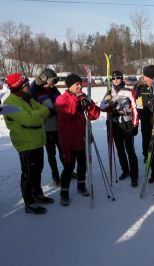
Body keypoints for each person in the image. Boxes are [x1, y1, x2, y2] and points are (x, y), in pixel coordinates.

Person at [4, 73, 53, 214]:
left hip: (38, 140)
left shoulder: (28, 98)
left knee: (37, 171)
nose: (28, 88)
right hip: (26, 144)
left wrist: (39, 114)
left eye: (27, 85)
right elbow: (29, 121)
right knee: (28, 174)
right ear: (17, 88)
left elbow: (45, 110)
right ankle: (29, 203)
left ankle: (37, 194)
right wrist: (40, 115)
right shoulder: (8, 104)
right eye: (25, 86)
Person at [55, 74, 100, 206]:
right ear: (69, 86)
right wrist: (77, 102)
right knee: (68, 167)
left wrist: (89, 105)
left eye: (80, 84)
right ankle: (64, 192)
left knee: (82, 164)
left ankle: (81, 185)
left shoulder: (82, 97)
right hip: (68, 139)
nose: (79, 86)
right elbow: (67, 115)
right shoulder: (61, 99)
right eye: (76, 84)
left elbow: (94, 115)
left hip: (82, 137)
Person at [100, 70, 140, 187]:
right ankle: (125, 170)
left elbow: (135, 108)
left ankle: (134, 175)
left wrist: (135, 124)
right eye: (114, 78)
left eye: (118, 78)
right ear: (111, 80)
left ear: (122, 79)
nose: (116, 80)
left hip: (126, 124)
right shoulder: (109, 92)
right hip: (115, 125)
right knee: (120, 150)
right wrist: (110, 104)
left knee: (130, 150)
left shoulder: (128, 91)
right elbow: (102, 107)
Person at [30, 68, 64, 186]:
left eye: (54, 83)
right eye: (51, 83)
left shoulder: (52, 89)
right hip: (45, 127)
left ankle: (67, 172)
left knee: (62, 150)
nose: (52, 86)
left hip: (57, 125)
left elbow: (60, 101)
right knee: (51, 154)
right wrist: (49, 111)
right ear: (44, 80)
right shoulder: (34, 91)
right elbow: (33, 110)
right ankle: (56, 176)